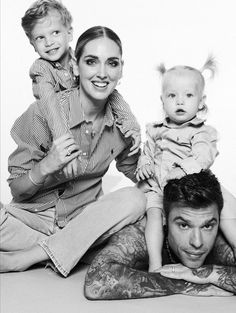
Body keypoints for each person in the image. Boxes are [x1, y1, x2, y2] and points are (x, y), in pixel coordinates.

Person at [0, 26, 146, 277]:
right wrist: (47, 165)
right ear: (76, 67)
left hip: (84, 221)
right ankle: (71, 250)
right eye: (91, 62)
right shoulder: (44, 113)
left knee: (136, 200)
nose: (102, 73)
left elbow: (135, 174)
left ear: (121, 69)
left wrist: (146, 154)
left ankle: (29, 257)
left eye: (111, 63)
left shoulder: (124, 125)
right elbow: (17, 189)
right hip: (31, 221)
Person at [136, 57, 236, 272]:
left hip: (191, 188)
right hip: (159, 186)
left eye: (188, 95)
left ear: (201, 101)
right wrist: (144, 165)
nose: (180, 102)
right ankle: (155, 264)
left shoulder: (201, 131)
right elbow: (147, 152)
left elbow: (203, 156)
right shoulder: (155, 130)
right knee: (153, 215)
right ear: (162, 100)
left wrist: (181, 170)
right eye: (172, 95)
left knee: (227, 207)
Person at [21, 0, 141, 178]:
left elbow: (111, 94)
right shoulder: (41, 69)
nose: (49, 42)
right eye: (40, 37)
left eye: (55, 32)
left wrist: (130, 123)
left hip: (85, 127)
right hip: (56, 131)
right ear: (32, 43)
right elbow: (50, 106)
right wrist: (64, 147)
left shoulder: (82, 58)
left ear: (69, 33)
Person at [84, 170, 236, 300]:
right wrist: (185, 283)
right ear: (164, 219)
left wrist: (201, 274)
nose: (197, 242)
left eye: (207, 226)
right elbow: (96, 281)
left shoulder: (221, 241)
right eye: (184, 225)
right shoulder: (141, 234)